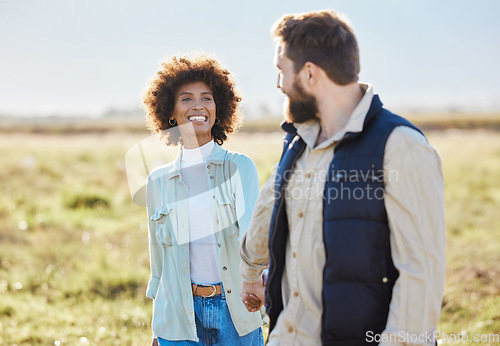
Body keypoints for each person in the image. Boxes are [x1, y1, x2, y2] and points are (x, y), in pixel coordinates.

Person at [239, 10, 446, 345]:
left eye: (282, 70)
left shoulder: (402, 147)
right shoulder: (299, 141)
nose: (278, 84)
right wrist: (250, 272)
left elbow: (420, 275)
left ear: (309, 74)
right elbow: (270, 204)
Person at [143, 54, 264, 345]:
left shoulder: (240, 167)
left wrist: (260, 285)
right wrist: (160, 326)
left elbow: (254, 239)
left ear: (218, 107)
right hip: (178, 315)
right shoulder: (157, 181)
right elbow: (157, 262)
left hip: (235, 312)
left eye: (206, 98)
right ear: (170, 111)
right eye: (186, 99)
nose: (197, 106)